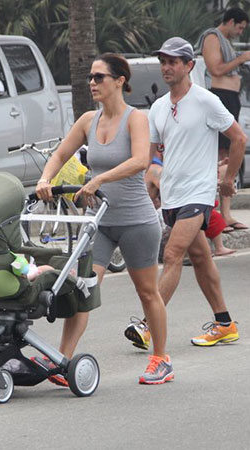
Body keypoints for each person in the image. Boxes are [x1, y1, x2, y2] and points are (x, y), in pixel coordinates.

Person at [35, 53, 171, 385]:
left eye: (99, 77)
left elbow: (141, 160)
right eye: (90, 77)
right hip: (100, 223)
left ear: (119, 81)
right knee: (83, 288)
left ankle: (161, 359)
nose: (92, 83)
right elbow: (60, 153)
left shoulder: (136, 118)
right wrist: (45, 179)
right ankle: (61, 360)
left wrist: (99, 179)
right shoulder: (87, 121)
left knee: (147, 292)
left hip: (137, 221)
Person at [133, 37, 246, 351]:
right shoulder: (158, 107)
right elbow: (155, 156)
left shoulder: (205, 100)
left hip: (198, 194)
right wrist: (152, 186)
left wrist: (227, 182)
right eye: (164, 61)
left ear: (189, 66)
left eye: (173, 62)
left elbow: (238, 139)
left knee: (172, 254)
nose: (167, 67)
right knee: (200, 256)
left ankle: (146, 326)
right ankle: (224, 324)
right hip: (172, 196)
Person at [200, 7, 250, 231]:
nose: (240, 32)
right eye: (239, 27)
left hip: (231, 99)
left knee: (230, 156)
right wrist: (242, 58)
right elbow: (216, 69)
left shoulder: (226, 41)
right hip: (220, 97)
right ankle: (214, 213)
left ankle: (226, 214)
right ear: (230, 21)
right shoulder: (212, 37)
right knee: (220, 157)